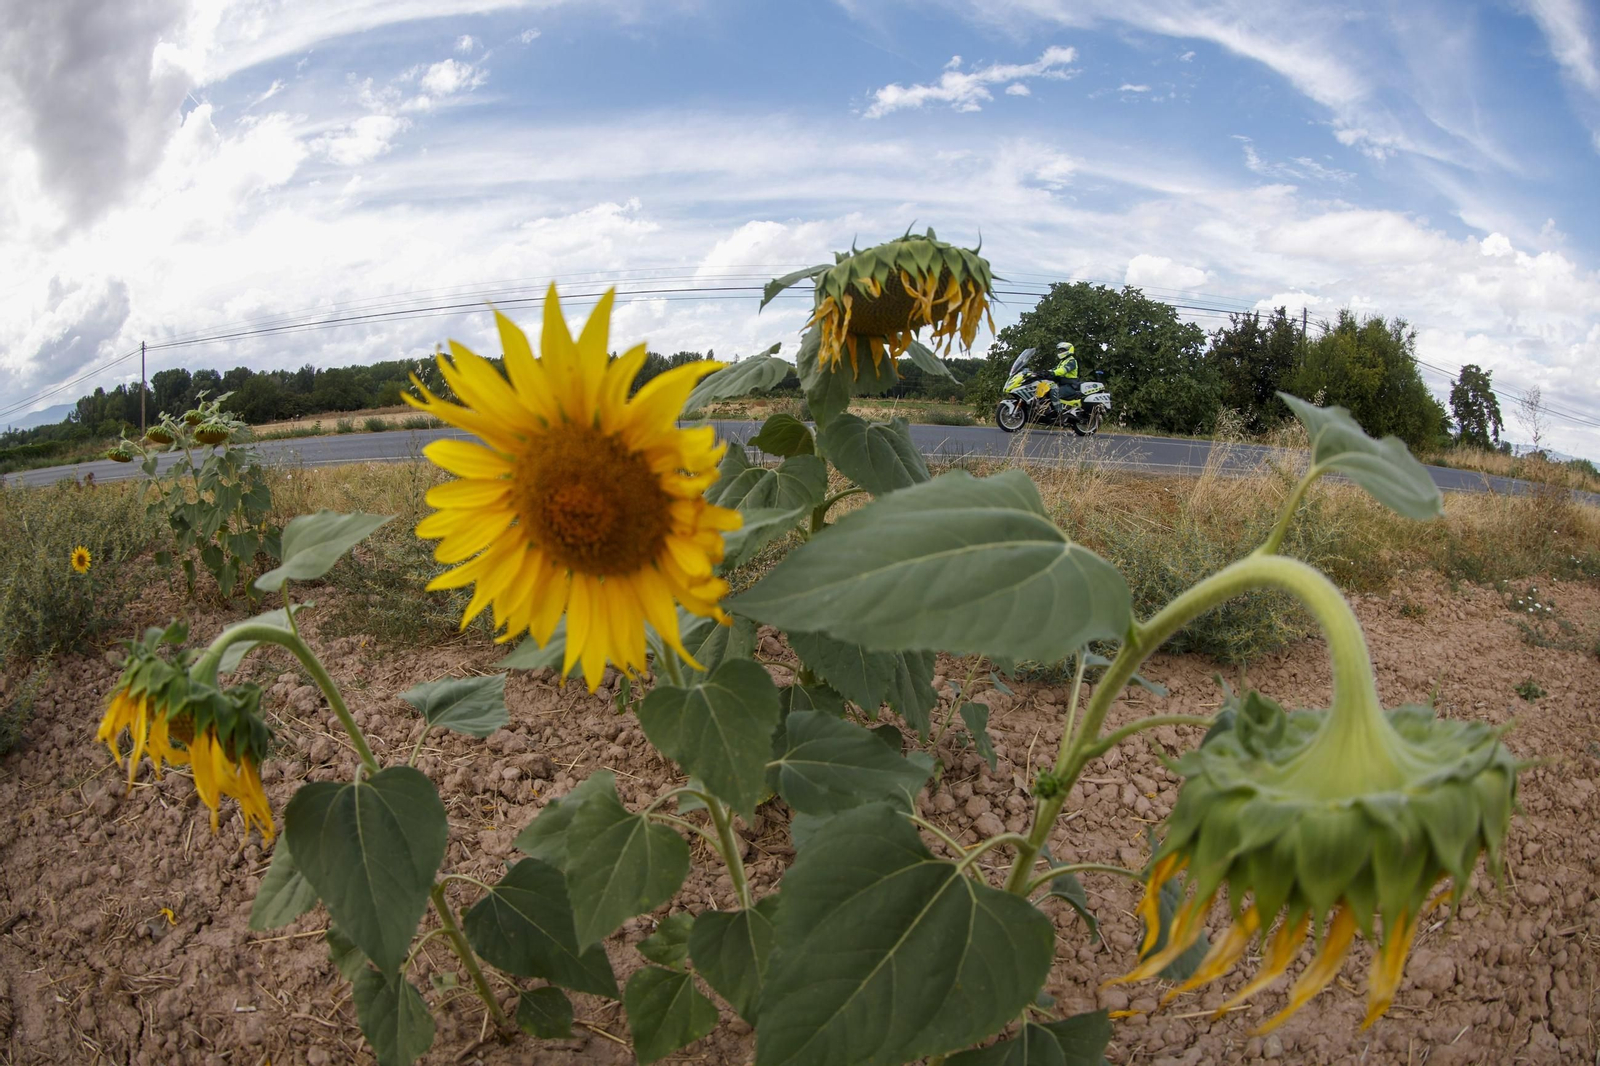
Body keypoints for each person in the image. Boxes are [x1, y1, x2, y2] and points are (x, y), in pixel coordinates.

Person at [1030, 341, 1081, 413]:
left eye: (1062, 350)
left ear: (1069, 350)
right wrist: (1042, 372)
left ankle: (1059, 413)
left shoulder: (1072, 361)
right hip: (1063, 384)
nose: (1060, 352)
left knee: (1054, 392)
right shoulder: (1063, 361)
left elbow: (1062, 371)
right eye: (1060, 350)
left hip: (1071, 386)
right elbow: (1055, 369)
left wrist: (1052, 373)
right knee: (1045, 387)